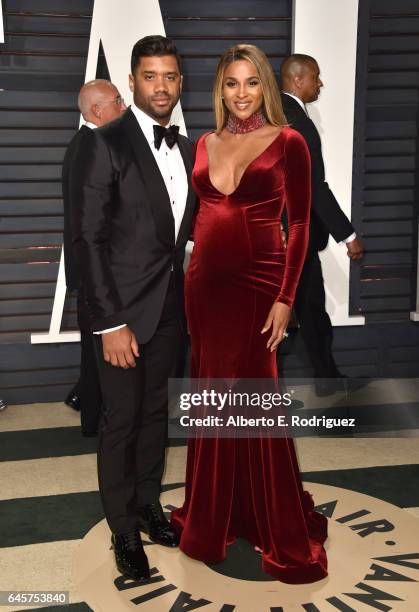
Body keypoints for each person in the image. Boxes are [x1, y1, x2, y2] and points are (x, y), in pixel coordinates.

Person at [171, 44, 328, 584]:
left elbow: (302, 226)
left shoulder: (289, 142)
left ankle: (275, 522)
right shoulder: (203, 143)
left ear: (265, 86)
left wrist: (286, 297)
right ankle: (214, 516)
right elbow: (198, 219)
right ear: (221, 89)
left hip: (262, 289)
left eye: (251, 83)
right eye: (232, 84)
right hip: (205, 291)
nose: (241, 94)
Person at [70, 36, 196, 581]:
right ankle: (123, 530)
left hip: (170, 308)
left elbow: (180, 234)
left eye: (169, 76)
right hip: (120, 315)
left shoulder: (191, 148)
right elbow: (87, 241)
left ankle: (148, 505)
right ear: (132, 81)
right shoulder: (105, 142)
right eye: (150, 77)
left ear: (180, 82)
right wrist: (111, 324)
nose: (161, 86)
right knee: (120, 423)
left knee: (152, 418)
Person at [280, 54, 364, 395]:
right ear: (298, 80)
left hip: (286, 237)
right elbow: (314, 185)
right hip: (293, 239)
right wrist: (349, 235)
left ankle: (326, 379)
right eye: (316, 76)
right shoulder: (296, 121)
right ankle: (324, 381)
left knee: (307, 312)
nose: (321, 83)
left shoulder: (278, 113)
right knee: (305, 312)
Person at [63, 79, 126, 434]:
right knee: (97, 349)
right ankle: (95, 420)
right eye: (119, 100)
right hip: (93, 267)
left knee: (95, 348)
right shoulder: (92, 146)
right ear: (98, 110)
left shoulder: (84, 144)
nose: (125, 106)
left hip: (89, 266)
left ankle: (90, 410)